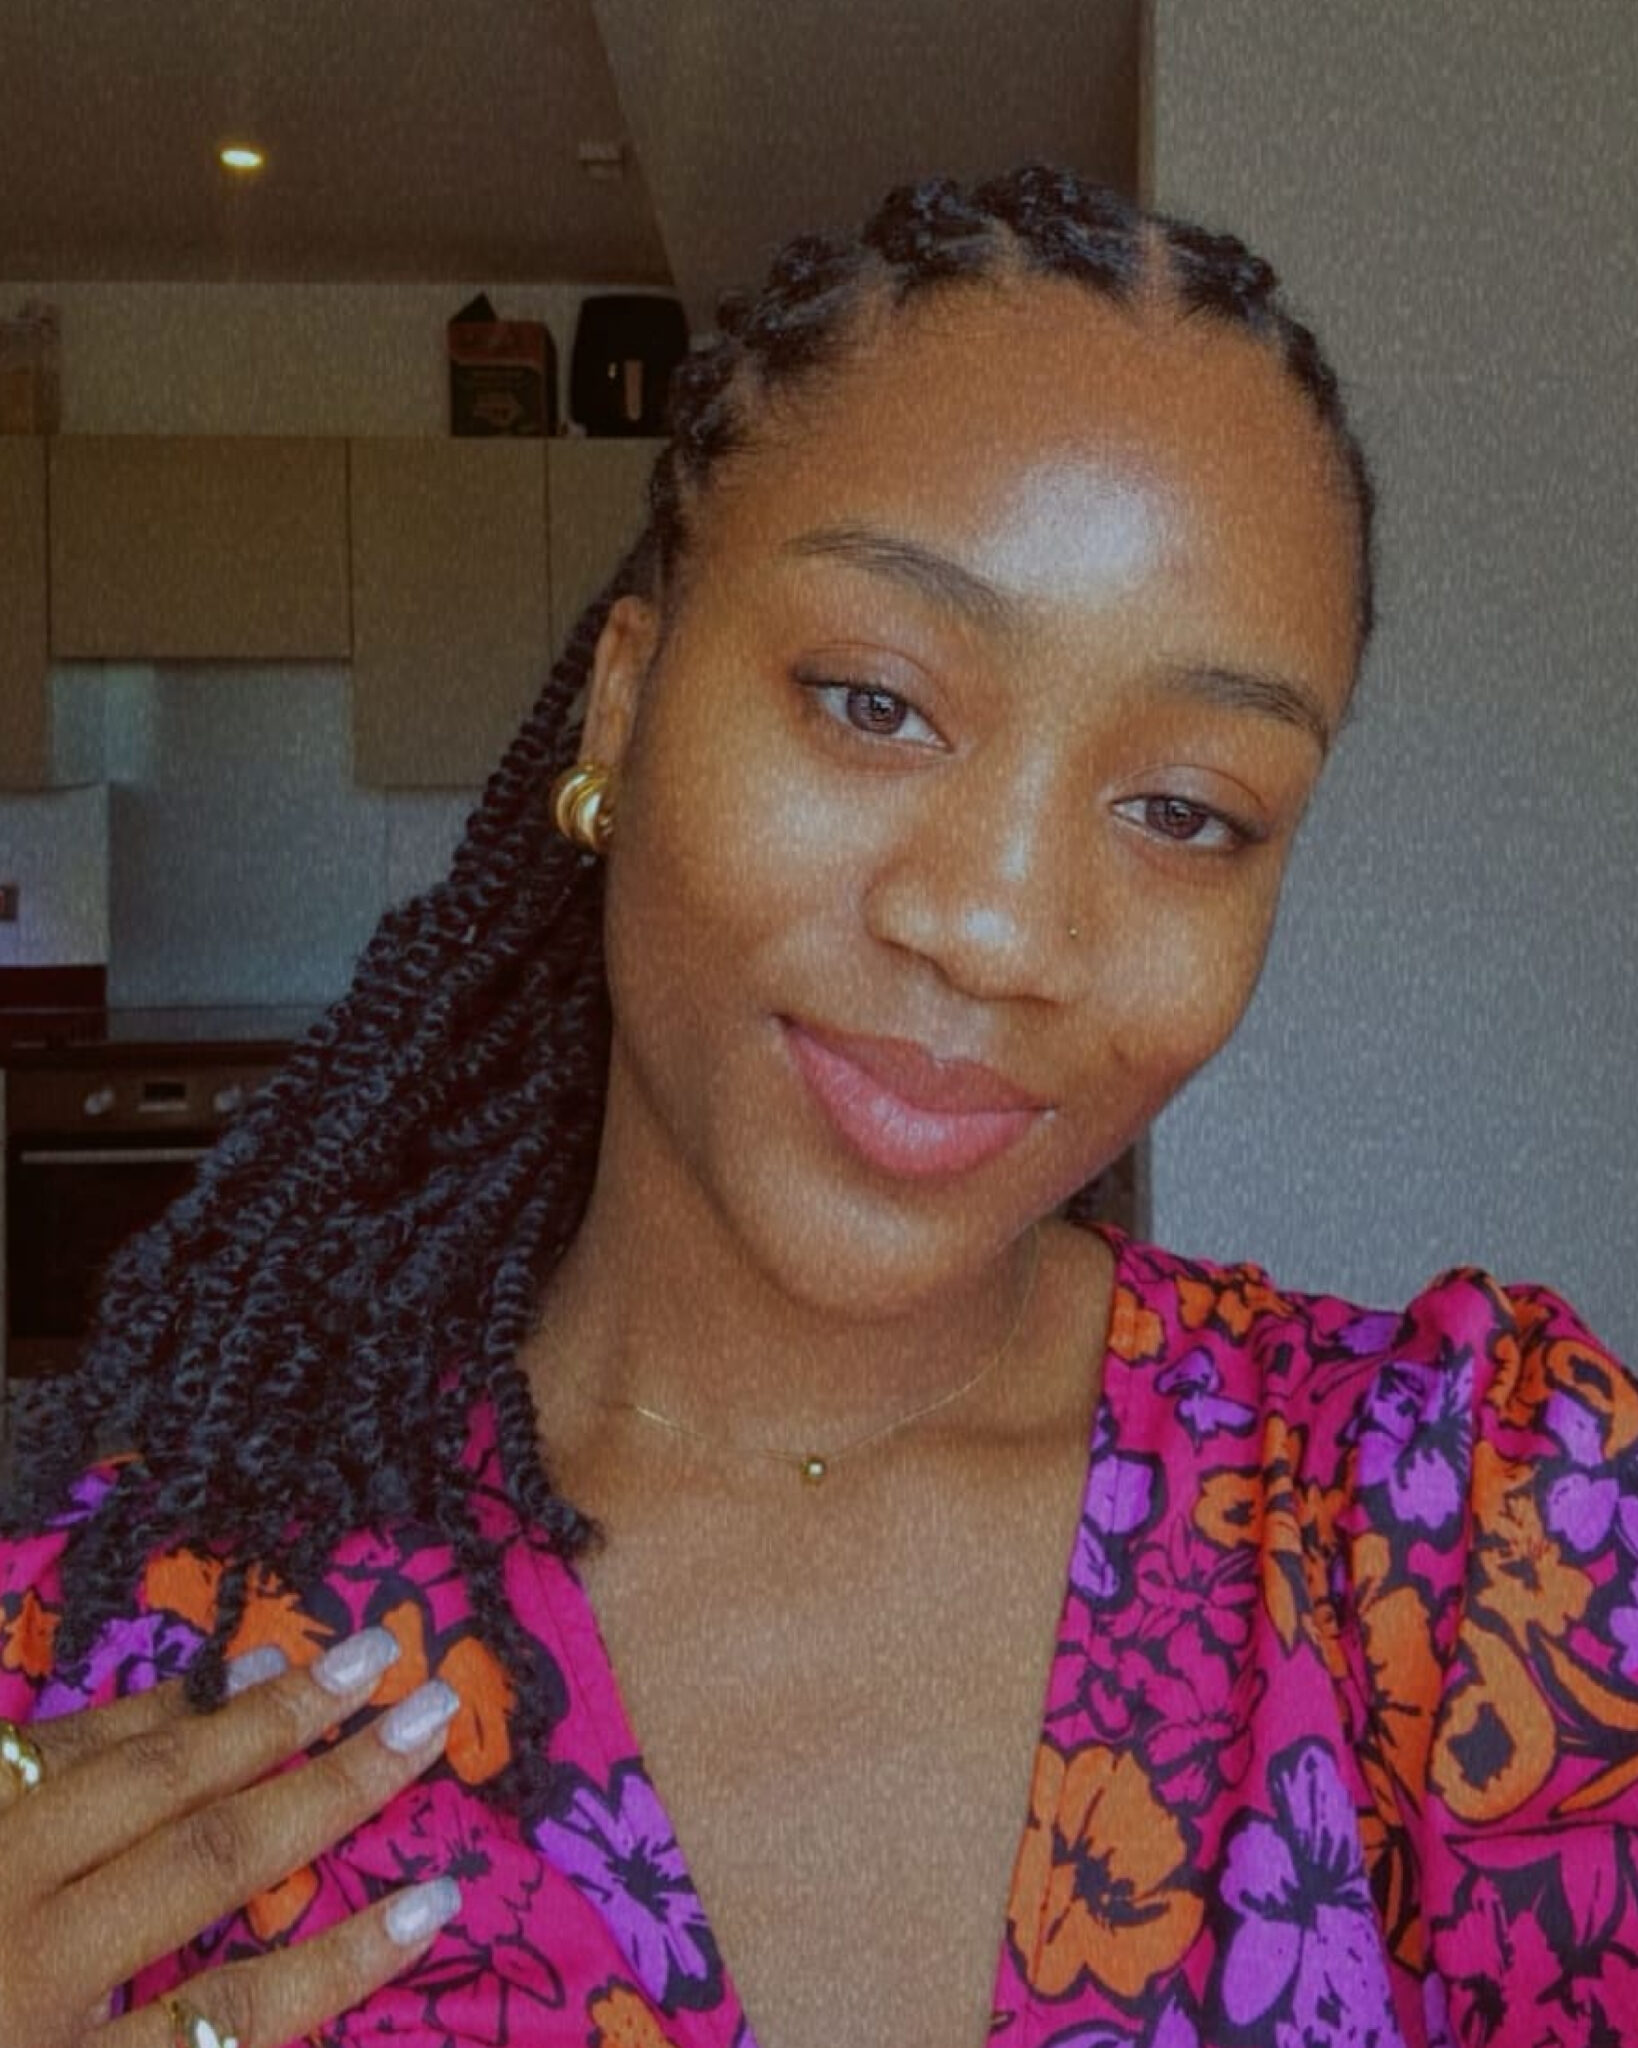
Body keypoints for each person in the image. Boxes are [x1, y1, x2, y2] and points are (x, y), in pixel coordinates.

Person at [0, 163, 1631, 2048]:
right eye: (871, 700)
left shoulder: (1473, 1541)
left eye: (1185, 809)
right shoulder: (118, 1652)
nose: (997, 929)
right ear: (622, 708)